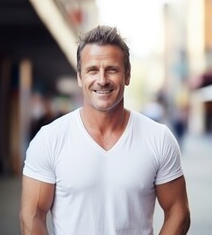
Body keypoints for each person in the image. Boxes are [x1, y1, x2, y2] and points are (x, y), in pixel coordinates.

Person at [20, 25, 190, 235]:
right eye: (92, 70)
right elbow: (32, 215)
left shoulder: (159, 138)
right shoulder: (49, 139)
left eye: (112, 69)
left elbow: (178, 212)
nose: (102, 80)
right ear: (80, 77)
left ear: (127, 75)